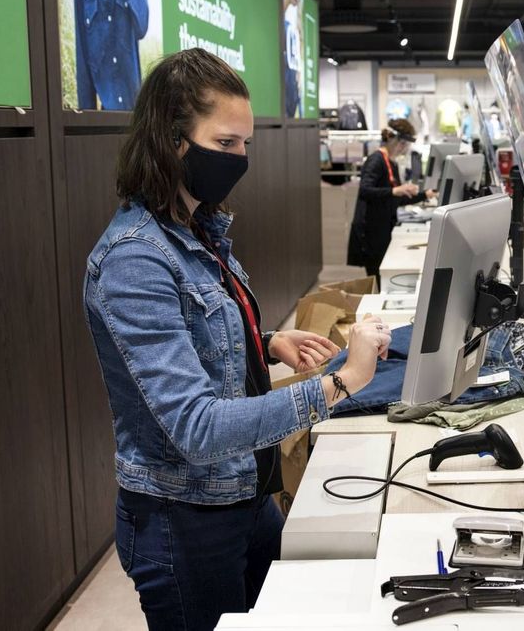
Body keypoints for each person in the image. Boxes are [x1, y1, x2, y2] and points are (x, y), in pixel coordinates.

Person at [84, 49, 392, 630]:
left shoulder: (197, 228)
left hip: (246, 494)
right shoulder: (135, 261)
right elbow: (198, 428)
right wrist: (341, 383)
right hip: (186, 520)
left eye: (246, 145)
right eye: (226, 145)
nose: (240, 160)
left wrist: (267, 340)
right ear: (173, 139)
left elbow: (196, 334)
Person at [347, 119, 437, 276]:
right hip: (372, 230)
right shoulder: (376, 160)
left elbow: (397, 197)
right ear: (393, 140)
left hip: (384, 227)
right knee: (377, 276)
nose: (403, 149)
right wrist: (395, 191)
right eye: (402, 144)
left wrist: (424, 194)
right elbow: (365, 191)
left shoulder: (391, 163)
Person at [74, 0, 149, 110]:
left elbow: (142, 27)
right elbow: (82, 52)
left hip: (133, 106)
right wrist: (87, 116)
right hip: (105, 109)